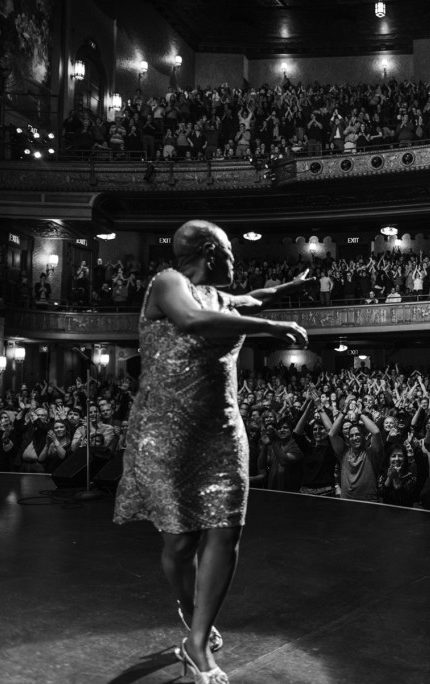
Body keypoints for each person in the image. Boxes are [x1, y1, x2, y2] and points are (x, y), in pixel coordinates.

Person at [112, 219, 308, 684]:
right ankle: (190, 613)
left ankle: (197, 642)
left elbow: (254, 296)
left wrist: (285, 289)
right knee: (181, 542)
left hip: (221, 430)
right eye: (229, 248)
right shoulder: (168, 284)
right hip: (166, 431)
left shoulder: (222, 298)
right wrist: (268, 326)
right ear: (207, 250)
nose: (235, 257)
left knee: (224, 534)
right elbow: (191, 320)